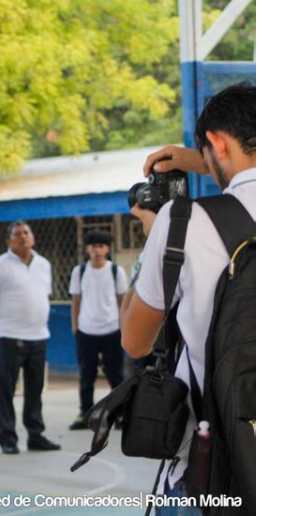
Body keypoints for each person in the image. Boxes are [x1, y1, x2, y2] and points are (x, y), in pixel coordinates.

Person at [121, 83, 255, 514]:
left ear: (217, 141)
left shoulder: (182, 222)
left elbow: (135, 341)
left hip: (211, 466)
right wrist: (203, 158)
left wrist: (153, 243)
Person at [0, 221, 61, 454]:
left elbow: (42, 296)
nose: (23, 237)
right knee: (6, 390)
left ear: (33, 237)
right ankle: (7, 438)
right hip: (10, 337)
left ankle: (35, 435)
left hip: (39, 337)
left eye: (26, 233)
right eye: (17, 234)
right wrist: (0, 325)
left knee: (35, 390)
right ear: (9, 240)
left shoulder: (44, 264)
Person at [68, 230, 128, 430]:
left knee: (115, 375)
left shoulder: (116, 271)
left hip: (112, 329)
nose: (97, 250)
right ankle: (85, 414)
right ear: (87, 249)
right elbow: (76, 301)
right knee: (87, 375)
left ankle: (120, 415)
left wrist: (124, 327)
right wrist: (75, 327)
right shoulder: (79, 271)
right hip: (86, 331)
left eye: (101, 246)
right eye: (93, 246)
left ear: (107, 249)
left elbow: (122, 301)